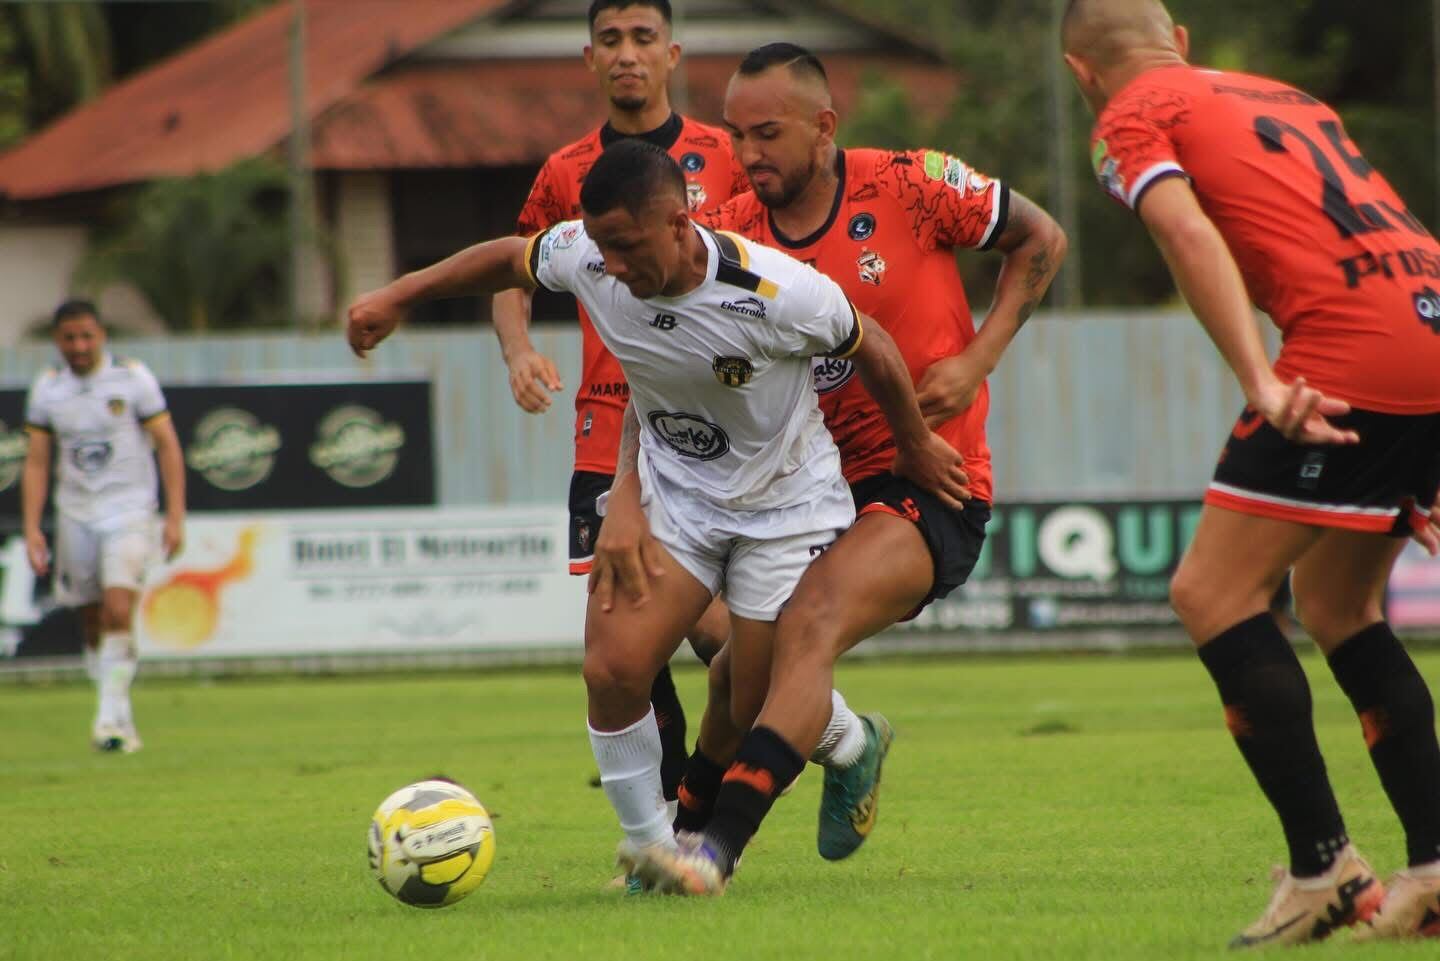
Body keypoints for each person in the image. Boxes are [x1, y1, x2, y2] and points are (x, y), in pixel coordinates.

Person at [346, 140, 970, 886]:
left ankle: (845, 747)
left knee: (747, 699)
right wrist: (397, 296)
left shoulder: (776, 290)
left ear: (678, 223)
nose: (610, 265)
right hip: (677, 499)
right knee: (612, 667)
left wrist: (914, 443)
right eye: (601, 246)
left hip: (785, 508)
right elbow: (509, 259)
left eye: (627, 246)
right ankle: (655, 851)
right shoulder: (588, 254)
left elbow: (874, 346)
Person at [621, 43, 1067, 891]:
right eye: (736, 135)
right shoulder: (732, 237)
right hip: (805, 490)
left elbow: (1042, 236)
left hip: (926, 481)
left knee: (810, 622)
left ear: (824, 127)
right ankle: (718, 818)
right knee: (734, 677)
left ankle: (717, 850)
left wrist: (977, 359)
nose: (748, 153)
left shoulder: (910, 184)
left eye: (768, 133)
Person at [1062, 0, 1440, 946]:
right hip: (1428, 326)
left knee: (1212, 592)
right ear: (1181, 43)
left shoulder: (1130, 115)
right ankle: (1435, 869)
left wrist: (1260, 380)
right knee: (1337, 604)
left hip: (1351, 349)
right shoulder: (1286, 96)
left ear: (1080, 73)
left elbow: (1186, 234)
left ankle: (1324, 869)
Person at [493, 0, 747, 809]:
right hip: (607, 428)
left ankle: (825, 726)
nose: (627, 53)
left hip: (714, 425)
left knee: (713, 631)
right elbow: (510, 270)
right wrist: (519, 349)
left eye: (643, 38)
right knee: (625, 641)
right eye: (611, 39)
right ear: (589, 58)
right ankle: (669, 821)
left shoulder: (726, 155)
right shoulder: (566, 171)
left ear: (673, 53)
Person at [21, 299, 186, 754]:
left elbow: (167, 445)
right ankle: (118, 714)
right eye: (69, 338)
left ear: (102, 336)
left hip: (129, 510)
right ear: (57, 341)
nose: (79, 346)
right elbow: (37, 462)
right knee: (92, 619)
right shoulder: (48, 389)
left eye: (87, 336)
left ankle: (107, 719)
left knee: (118, 608)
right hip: (76, 513)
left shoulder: (132, 379)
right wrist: (33, 528)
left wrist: (174, 516)